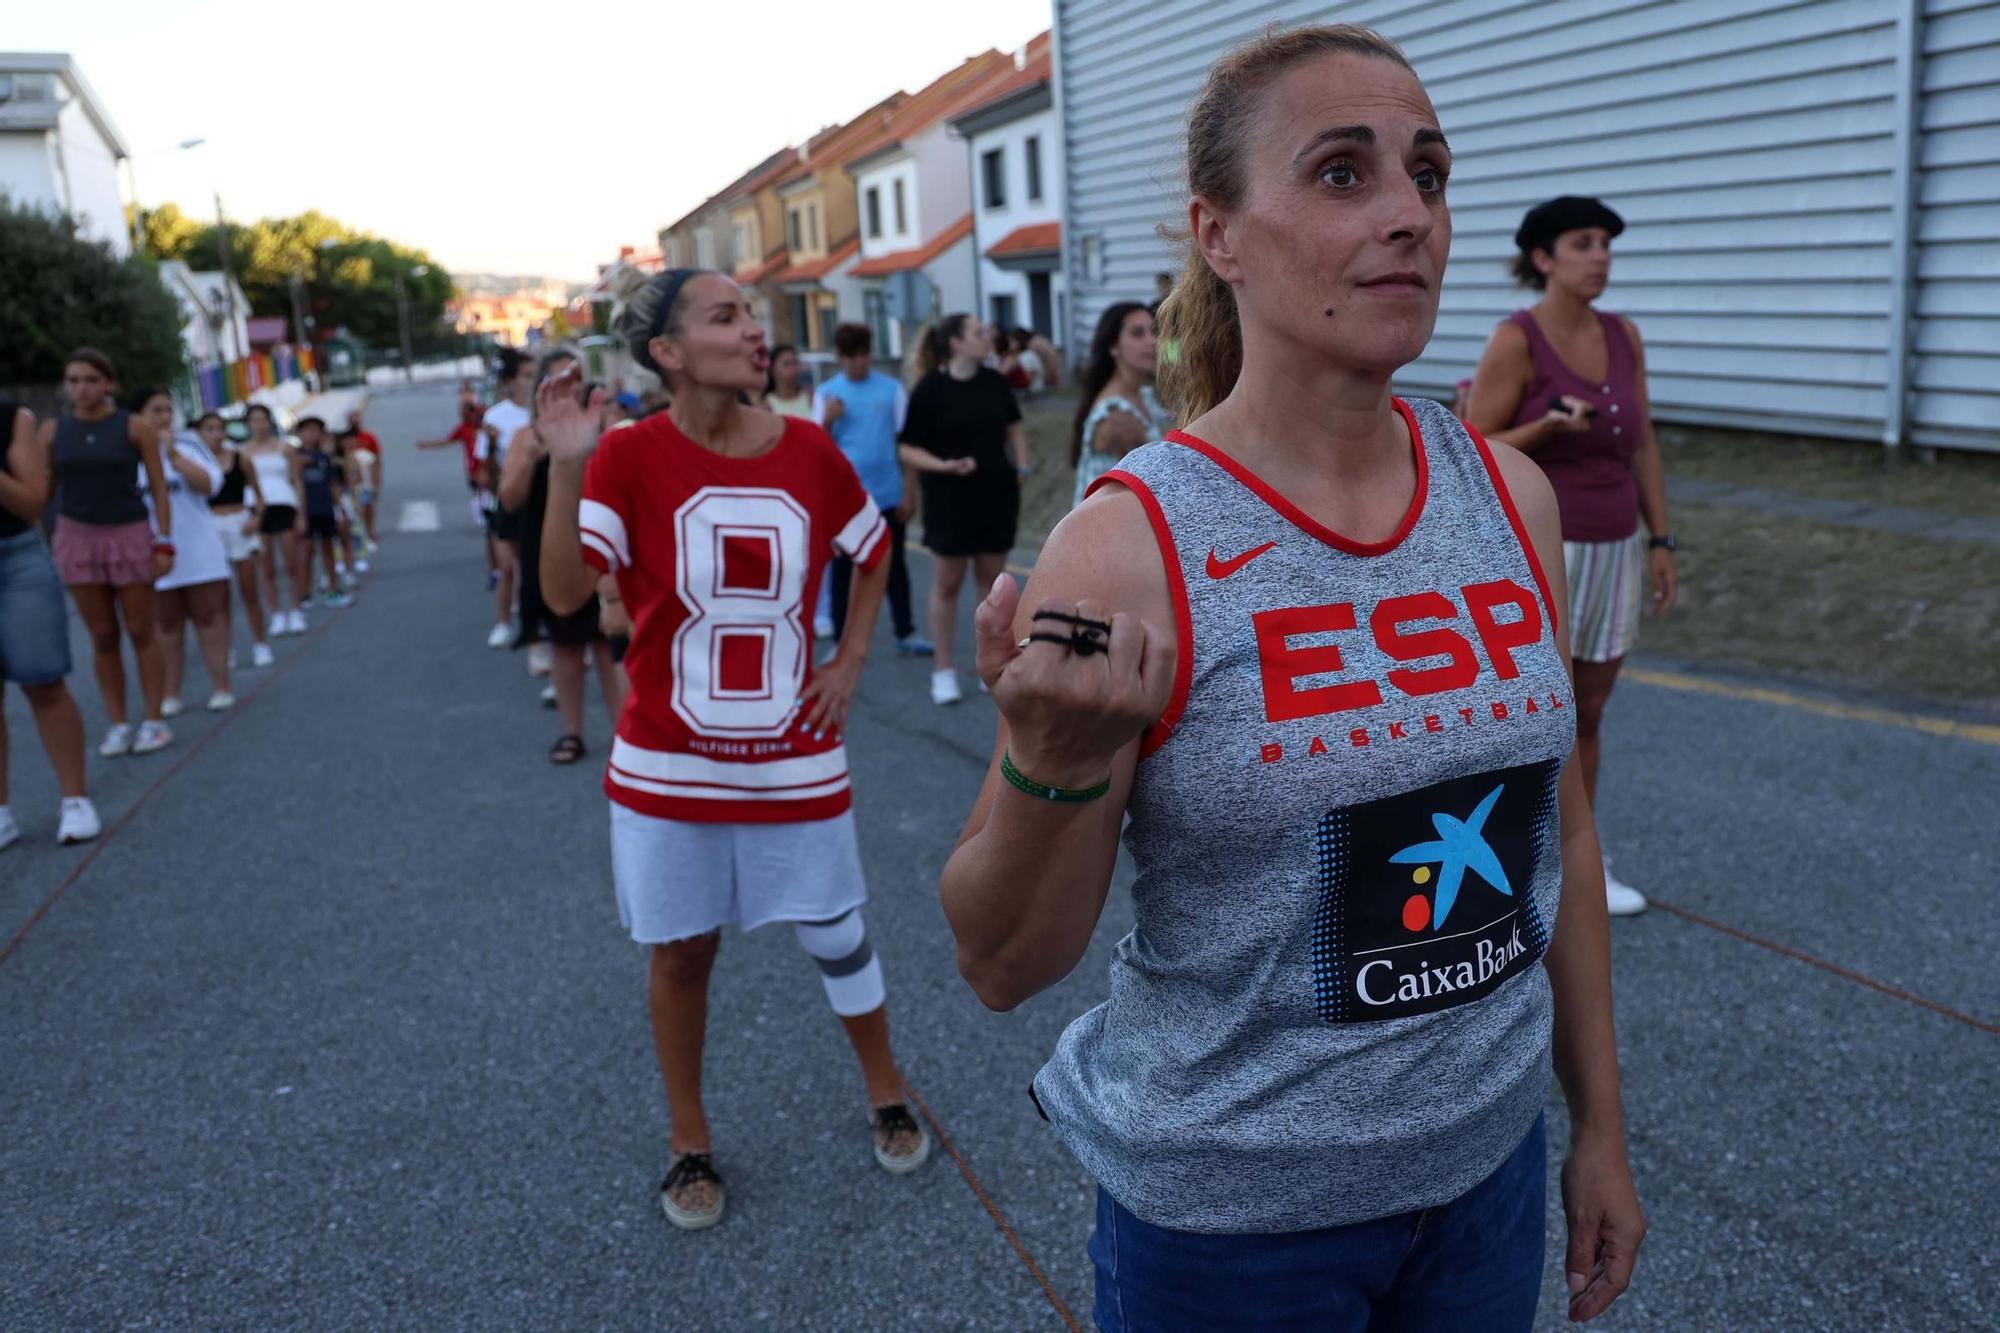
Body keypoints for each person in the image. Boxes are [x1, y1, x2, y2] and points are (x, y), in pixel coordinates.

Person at [938, 24, 1644, 1330]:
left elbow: (1567, 829)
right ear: (1219, 233)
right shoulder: (1131, 544)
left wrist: (1597, 1126)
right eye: (1341, 174)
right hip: (1234, 1229)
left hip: (1488, 1176)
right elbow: (999, 961)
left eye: (1427, 176)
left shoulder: (1512, 497)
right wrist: (1054, 764)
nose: (1408, 217)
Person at [537, 265, 930, 1231]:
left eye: (753, 314)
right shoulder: (623, 456)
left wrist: (852, 660)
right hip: (667, 761)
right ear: (667, 352)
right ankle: (688, 1141)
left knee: (837, 929)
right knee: (681, 952)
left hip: (797, 751)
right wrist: (562, 464)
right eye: (727, 316)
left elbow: (873, 551)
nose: (755, 330)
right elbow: (559, 597)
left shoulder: (806, 448)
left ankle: (885, 1087)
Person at [1464, 195, 1679, 918]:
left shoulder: (1625, 335)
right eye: (1583, 244)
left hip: (1616, 547)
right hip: (1543, 549)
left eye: (1607, 244)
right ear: (1543, 259)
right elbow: (1476, 445)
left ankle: (1576, 853)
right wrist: (1548, 426)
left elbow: (1643, 442)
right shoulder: (1516, 340)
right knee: (1534, 712)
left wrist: (1662, 537)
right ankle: (1512, 849)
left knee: (1588, 709)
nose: (1601, 257)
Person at [41, 349, 175, 757]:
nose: (81, 388)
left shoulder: (134, 428)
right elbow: (42, 491)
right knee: (101, 635)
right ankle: (118, 722)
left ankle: (153, 718)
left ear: (109, 384)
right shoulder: (52, 431)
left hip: (128, 531)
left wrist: (164, 540)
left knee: (139, 628)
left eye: (90, 380)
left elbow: (158, 486)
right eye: (74, 380)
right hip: (76, 535)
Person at [498, 347, 627, 763]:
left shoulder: (601, 424)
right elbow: (509, 500)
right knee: (566, 644)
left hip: (599, 539)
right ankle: (571, 733)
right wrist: (533, 458)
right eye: (556, 382)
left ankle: (626, 737)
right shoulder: (527, 436)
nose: (567, 389)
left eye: (574, 380)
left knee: (610, 643)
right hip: (548, 542)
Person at [897, 314, 1029, 706]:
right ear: (955, 343)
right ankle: (943, 669)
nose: (986, 335)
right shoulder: (929, 390)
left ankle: (986, 667)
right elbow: (908, 448)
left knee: (992, 587)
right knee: (948, 584)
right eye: (976, 332)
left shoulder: (995, 382)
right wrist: (945, 466)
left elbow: (1014, 426)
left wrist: (1021, 464)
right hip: (948, 500)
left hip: (996, 495)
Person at [0, 398, 100, 847]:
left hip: (14, 559)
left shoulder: (11, 417)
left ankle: (75, 799)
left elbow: (31, 501)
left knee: (43, 682)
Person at [814, 323, 929, 656]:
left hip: (887, 494)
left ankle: (905, 632)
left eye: (864, 354)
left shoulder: (891, 389)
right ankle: (839, 641)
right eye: (851, 356)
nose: (859, 363)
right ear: (840, 357)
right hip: (845, 499)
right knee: (842, 570)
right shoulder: (827, 394)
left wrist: (910, 491)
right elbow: (818, 449)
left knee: (895, 566)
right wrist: (828, 421)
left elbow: (906, 444)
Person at [128, 390, 233, 715]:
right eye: (154, 410)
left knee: (208, 617)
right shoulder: (128, 452)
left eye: (167, 410)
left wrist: (172, 455)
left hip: (198, 547)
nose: (163, 417)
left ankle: (221, 686)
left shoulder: (189, 444)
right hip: (154, 551)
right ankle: (171, 693)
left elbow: (210, 484)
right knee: (166, 624)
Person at [1069, 302, 1169, 509]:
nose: (1151, 342)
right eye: (1137, 334)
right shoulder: (1117, 416)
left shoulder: (1142, 395)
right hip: (1104, 532)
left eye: (1153, 332)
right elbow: (1148, 491)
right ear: (1113, 347)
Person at [206, 411, 273, 669]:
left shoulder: (240, 458)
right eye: (209, 429)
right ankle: (227, 648)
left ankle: (260, 644)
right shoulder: (198, 463)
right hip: (211, 525)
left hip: (238, 521)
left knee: (249, 590)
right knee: (219, 595)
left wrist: (256, 518)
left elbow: (259, 494)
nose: (215, 434)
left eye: (219, 428)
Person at [480, 350, 535, 648]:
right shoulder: (495, 416)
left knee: (535, 568)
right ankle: (502, 622)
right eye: (526, 376)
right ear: (510, 381)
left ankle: (537, 630)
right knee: (509, 567)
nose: (532, 381)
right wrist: (488, 445)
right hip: (508, 498)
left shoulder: (542, 411)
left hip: (539, 498)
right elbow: (485, 471)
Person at [245, 403, 307, 636]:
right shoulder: (243, 452)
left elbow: (296, 480)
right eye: (254, 421)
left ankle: (296, 609)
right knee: (266, 566)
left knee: (291, 563)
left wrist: (301, 513)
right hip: (259, 508)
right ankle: (276, 613)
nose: (259, 425)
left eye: (263, 420)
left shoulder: (285, 448)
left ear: (270, 422)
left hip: (285, 505)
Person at [293, 417, 352, 610]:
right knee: (306, 553)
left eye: (316, 430)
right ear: (299, 433)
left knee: (328, 550)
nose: (312, 434)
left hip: (325, 509)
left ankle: (333, 589)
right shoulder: (293, 457)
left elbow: (333, 485)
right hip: (305, 511)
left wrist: (341, 510)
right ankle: (304, 594)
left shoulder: (325, 458)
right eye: (307, 430)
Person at [344, 409, 383, 553]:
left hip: (365, 483)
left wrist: (376, 483)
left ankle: (370, 531)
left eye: (357, 417)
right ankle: (357, 536)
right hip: (351, 485)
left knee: (368, 508)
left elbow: (377, 461)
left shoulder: (369, 437)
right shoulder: (344, 439)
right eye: (351, 417)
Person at [762, 344, 814, 417]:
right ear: (772, 369)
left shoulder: (810, 398)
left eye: (795, 363)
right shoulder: (765, 403)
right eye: (786, 364)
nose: (793, 368)